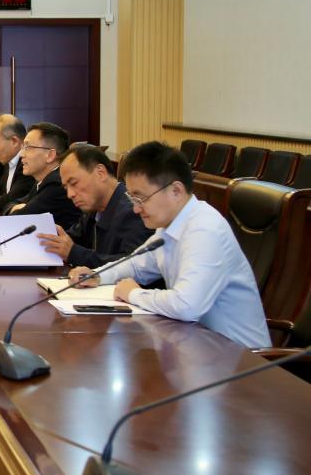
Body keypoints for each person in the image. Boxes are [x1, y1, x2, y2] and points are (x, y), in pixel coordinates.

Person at [69, 141, 270, 348]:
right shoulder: (169, 225)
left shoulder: (205, 229)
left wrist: (133, 294)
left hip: (241, 357)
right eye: (132, 198)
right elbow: (136, 265)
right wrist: (98, 275)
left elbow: (186, 306)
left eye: (141, 198)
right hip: (197, 344)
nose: (136, 209)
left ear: (175, 191)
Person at [38, 144, 152, 268]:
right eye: (66, 187)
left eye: (74, 183)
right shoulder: (94, 208)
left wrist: (73, 253)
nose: (70, 194)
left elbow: (133, 265)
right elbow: (73, 238)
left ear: (100, 173)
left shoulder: (134, 211)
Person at [7, 122, 82, 230]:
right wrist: (18, 207)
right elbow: (11, 204)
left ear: (50, 155)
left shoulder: (57, 184)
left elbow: (17, 219)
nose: (21, 154)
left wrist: (20, 207)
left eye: (28, 147)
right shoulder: (42, 179)